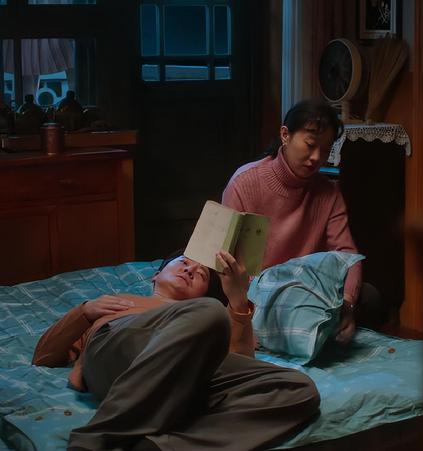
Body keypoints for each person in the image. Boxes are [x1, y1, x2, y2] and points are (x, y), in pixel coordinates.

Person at [33, 250, 319, 451]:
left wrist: (237, 299)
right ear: (156, 276)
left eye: (201, 275)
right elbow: (43, 356)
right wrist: (84, 312)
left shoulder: (206, 317)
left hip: (185, 371)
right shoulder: (118, 303)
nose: (190, 269)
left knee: (298, 389)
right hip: (120, 356)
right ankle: (95, 439)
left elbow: (239, 365)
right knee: (210, 312)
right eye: (183, 262)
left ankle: (160, 447)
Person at [222, 98, 363, 344]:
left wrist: (348, 304)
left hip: (310, 292)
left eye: (325, 150)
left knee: (367, 297)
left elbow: (347, 256)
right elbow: (226, 260)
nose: (316, 157)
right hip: (257, 294)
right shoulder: (244, 183)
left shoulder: (328, 193)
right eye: (310, 145)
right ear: (285, 135)